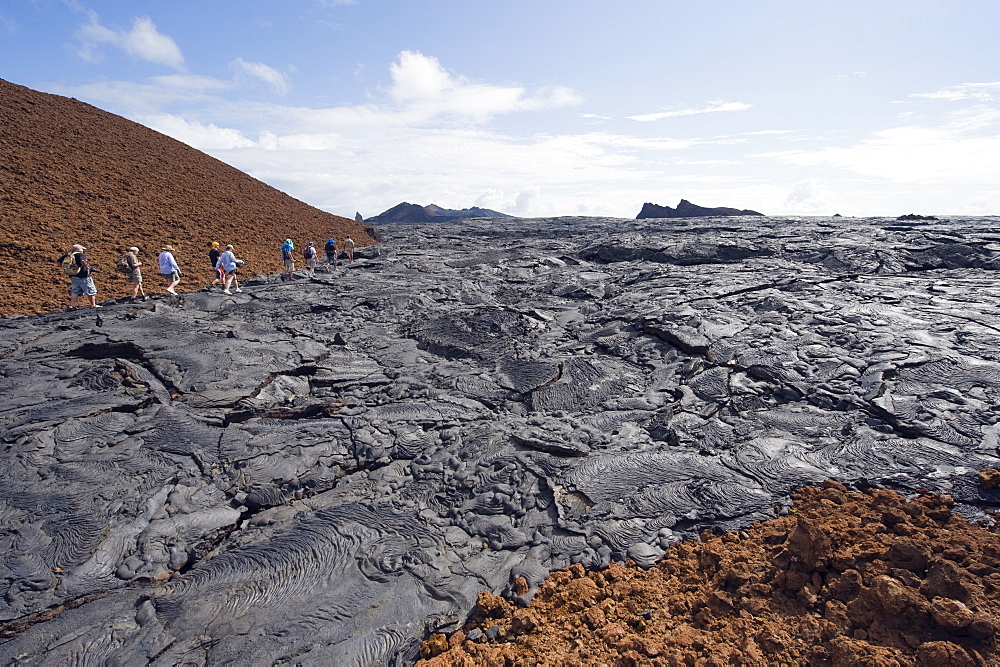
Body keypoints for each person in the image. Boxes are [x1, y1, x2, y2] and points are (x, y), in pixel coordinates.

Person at [61, 243, 102, 309]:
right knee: (90, 290)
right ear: (79, 249)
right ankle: (93, 304)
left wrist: (70, 269)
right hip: (83, 276)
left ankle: (72, 305)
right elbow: (82, 261)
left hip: (73, 276)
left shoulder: (68, 255)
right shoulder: (80, 255)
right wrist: (87, 267)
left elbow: (58, 262)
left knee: (75, 291)